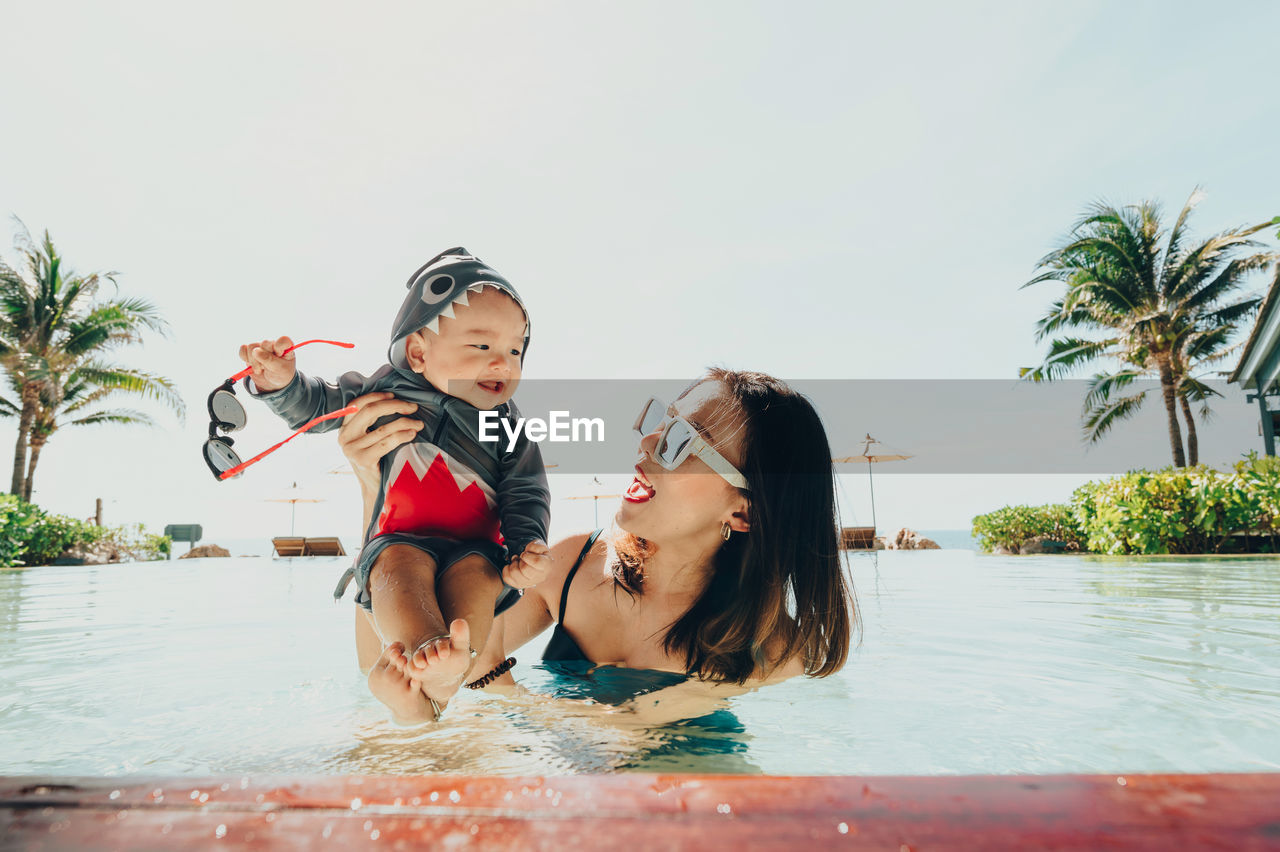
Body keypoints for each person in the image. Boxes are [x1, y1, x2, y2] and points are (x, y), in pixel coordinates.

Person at [340, 368, 854, 723]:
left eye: (683, 442)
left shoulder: (777, 650)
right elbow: (398, 663)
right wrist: (375, 486)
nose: (648, 443)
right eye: (661, 422)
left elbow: (615, 742)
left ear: (743, 511)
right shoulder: (570, 567)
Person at [237, 248, 553, 722]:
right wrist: (283, 385)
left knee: (477, 579)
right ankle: (425, 659)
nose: (502, 364)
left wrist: (526, 546)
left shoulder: (507, 425)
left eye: (515, 350)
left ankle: (442, 675)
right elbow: (321, 405)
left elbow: (526, 489)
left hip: (477, 548)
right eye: (482, 347)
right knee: (393, 570)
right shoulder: (383, 390)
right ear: (420, 353)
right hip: (399, 539)